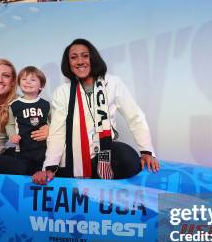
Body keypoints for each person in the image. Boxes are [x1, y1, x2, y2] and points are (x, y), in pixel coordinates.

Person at [32, 39, 159, 185]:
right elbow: (57, 132)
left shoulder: (113, 83)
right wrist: (49, 167)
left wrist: (147, 152)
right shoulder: (63, 91)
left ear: (93, 57)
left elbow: (135, 116)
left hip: (104, 155)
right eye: (73, 57)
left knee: (128, 159)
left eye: (85, 56)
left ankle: (103, 184)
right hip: (74, 161)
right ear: (69, 64)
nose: (80, 61)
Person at [7, 66, 51, 174]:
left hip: (44, 149)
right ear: (19, 83)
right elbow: (9, 124)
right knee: (25, 174)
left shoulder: (46, 104)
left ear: (41, 86)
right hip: (22, 150)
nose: (28, 82)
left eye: (33, 80)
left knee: (42, 174)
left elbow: (52, 122)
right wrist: (12, 135)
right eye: (24, 79)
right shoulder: (14, 105)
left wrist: (49, 129)